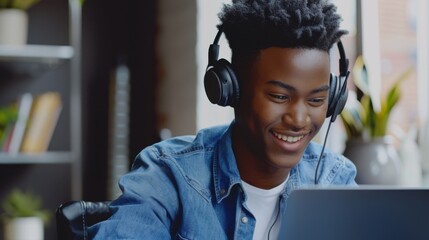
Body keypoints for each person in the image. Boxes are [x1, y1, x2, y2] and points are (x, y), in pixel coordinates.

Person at [89, 0, 357, 239]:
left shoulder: (335, 180)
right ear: (230, 90)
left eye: (316, 100)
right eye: (279, 96)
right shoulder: (169, 175)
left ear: (333, 100)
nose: (299, 119)